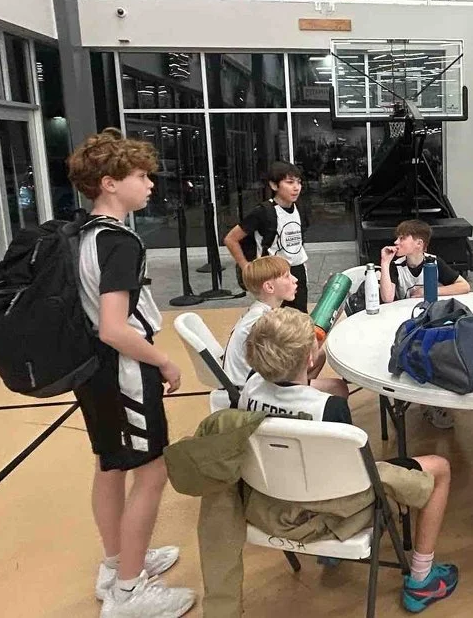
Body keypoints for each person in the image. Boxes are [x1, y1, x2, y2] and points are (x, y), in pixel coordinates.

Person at [240, 308, 459, 613]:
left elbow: (293, 394)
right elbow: (351, 472)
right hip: (330, 504)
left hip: (272, 497)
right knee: (440, 468)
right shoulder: (328, 408)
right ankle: (422, 579)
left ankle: (333, 549)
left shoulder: (248, 389)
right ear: (310, 359)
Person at [66, 129, 195, 617]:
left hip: (92, 371)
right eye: (140, 176)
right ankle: (127, 593)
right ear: (110, 183)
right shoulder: (120, 242)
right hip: (124, 369)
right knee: (151, 471)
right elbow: (115, 327)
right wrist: (162, 360)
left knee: (110, 464)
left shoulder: (84, 234)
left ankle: (117, 562)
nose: (150, 184)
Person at [380, 219, 471, 430]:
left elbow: (464, 286)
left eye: (402, 238)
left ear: (419, 244)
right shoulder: (395, 265)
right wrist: (384, 263)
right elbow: (387, 297)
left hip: (431, 322)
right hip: (403, 324)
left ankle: (435, 399)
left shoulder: (434, 262)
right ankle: (419, 400)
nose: (396, 242)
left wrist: (431, 291)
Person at [223, 256, 342, 396]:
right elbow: (308, 350)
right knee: (338, 388)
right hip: (249, 390)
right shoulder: (265, 321)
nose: (295, 279)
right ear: (269, 287)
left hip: (247, 380)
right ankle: (291, 399)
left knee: (319, 356)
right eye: (287, 276)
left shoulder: (259, 311)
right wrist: (331, 302)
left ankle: (298, 397)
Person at [224, 161, 309, 313]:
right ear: (274, 185)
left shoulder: (299, 208)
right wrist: (245, 266)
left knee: (299, 316)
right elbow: (231, 239)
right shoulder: (263, 212)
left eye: (298, 182)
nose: (296, 187)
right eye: (290, 182)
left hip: (297, 270)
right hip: (273, 274)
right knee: (274, 319)